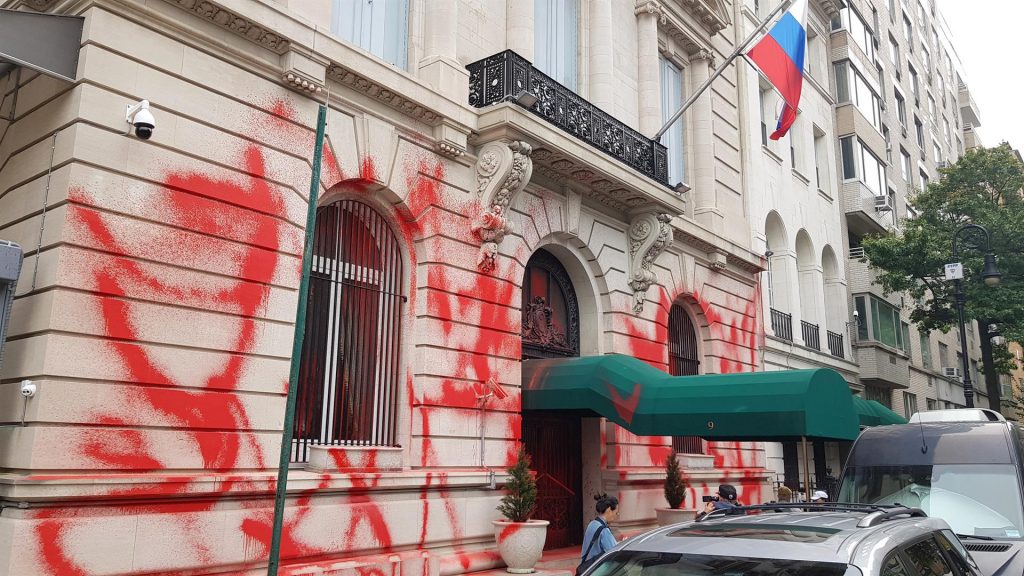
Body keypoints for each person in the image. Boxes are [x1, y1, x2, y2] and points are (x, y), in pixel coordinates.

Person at [577, 494, 618, 575]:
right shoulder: (604, 530)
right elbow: (614, 552)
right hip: (598, 571)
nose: (616, 516)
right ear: (609, 510)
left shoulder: (592, 524)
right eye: (616, 513)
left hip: (587, 568)